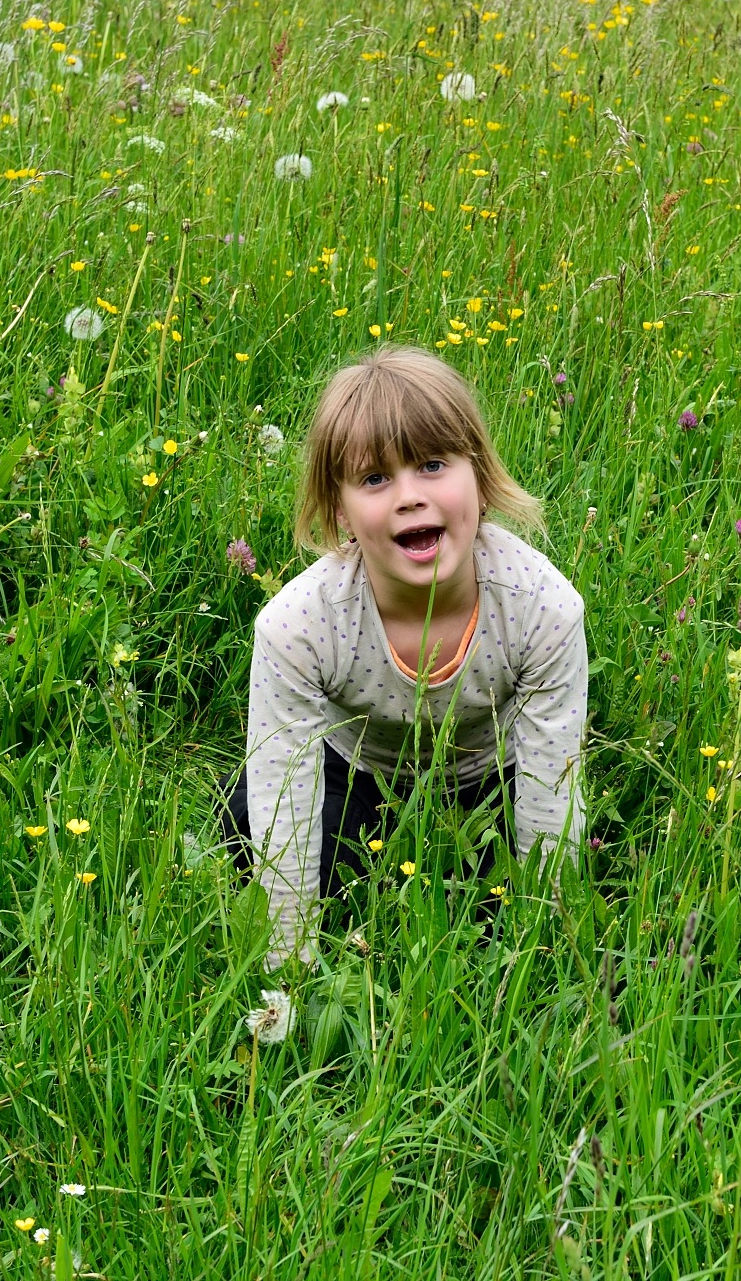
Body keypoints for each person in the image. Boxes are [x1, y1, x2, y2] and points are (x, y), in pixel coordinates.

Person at [224, 346, 588, 969]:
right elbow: (286, 797)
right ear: (339, 509)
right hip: (360, 776)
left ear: (479, 475)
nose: (409, 496)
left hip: (491, 782)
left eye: (432, 464)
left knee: (503, 890)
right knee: (249, 822)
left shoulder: (542, 608)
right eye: (374, 479)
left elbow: (551, 794)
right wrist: (291, 970)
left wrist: (543, 947)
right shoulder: (298, 626)